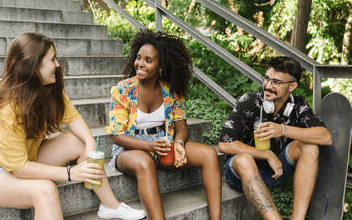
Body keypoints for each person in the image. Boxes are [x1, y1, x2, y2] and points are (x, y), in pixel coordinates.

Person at [0, 32, 145, 220]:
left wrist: (90, 146)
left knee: (77, 141)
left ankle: (110, 205)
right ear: (33, 66)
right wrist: (70, 173)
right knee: (45, 190)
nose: (57, 64)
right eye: (52, 59)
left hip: (25, 158)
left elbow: (74, 119)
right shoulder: (5, 108)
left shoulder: (47, 89)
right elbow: (19, 168)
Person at [106, 29, 222, 220]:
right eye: (138, 58)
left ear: (161, 66)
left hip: (162, 143)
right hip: (129, 148)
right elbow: (116, 135)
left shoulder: (171, 91)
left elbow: (182, 128)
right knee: (145, 163)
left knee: (209, 154)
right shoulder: (123, 90)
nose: (140, 64)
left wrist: (178, 143)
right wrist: (149, 146)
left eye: (148, 60)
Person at [218, 56, 332, 220]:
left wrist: (283, 130)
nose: (267, 86)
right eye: (267, 79)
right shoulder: (250, 101)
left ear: (292, 86)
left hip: (276, 172)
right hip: (240, 173)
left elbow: (325, 137)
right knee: (244, 160)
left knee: (310, 147)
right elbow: (224, 145)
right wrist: (266, 154)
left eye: (276, 82)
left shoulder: (298, 105)